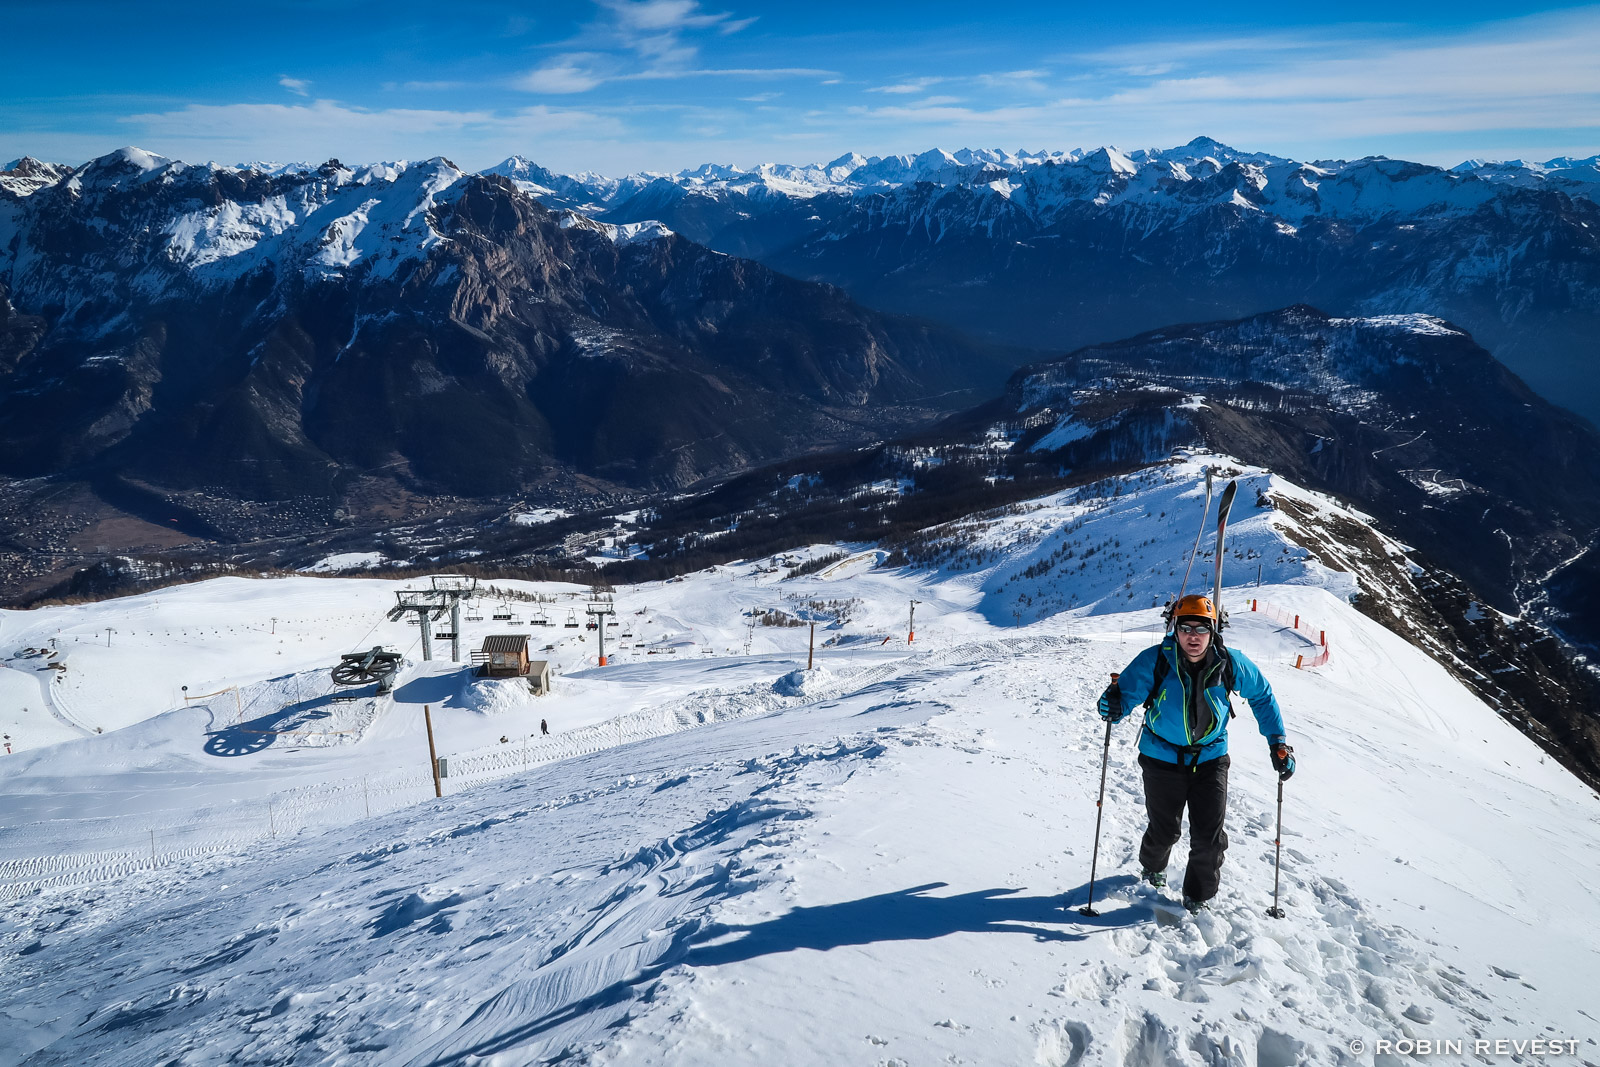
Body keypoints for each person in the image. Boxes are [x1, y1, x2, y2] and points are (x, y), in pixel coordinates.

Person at [1096, 594, 1295, 913]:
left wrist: (1277, 742)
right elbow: (1123, 699)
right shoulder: (1156, 660)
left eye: (1201, 628)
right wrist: (1112, 706)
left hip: (1210, 760)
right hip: (1161, 759)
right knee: (1164, 831)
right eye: (1185, 627)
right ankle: (1152, 868)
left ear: (1213, 632)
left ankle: (1197, 898)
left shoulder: (1231, 662)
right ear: (1175, 630)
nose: (1193, 635)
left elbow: (1262, 695)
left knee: (1209, 837)